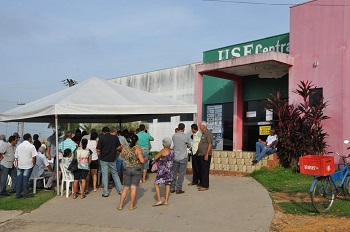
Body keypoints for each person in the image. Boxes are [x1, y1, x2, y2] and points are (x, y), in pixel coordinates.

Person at [118, 134, 147, 210]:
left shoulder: (125, 148)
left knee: (126, 188)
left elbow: (122, 156)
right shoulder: (138, 149)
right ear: (137, 141)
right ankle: (131, 206)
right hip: (136, 169)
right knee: (133, 188)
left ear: (130, 140)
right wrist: (146, 158)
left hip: (127, 168)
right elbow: (141, 160)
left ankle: (120, 205)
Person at [96, 126, 122, 197]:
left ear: (103, 132)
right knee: (115, 174)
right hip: (112, 159)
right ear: (109, 131)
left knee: (105, 175)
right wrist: (114, 150)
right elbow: (119, 147)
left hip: (103, 159)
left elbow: (98, 150)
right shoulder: (115, 137)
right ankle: (120, 190)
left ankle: (106, 192)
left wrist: (100, 156)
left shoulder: (101, 138)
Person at [152, 137, 174, 206]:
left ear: (164, 144)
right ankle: (166, 200)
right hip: (169, 170)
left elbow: (155, 157)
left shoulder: (163, 151)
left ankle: (159, 200)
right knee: (167, 184)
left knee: (156, 184)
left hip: (162, 170)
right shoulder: (172, 151)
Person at [14, 133, 37, 199]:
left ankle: (18, 194)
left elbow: (16, 156)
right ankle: (26, 194)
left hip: (20, 165)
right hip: (28, 165)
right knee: (25, 180)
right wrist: (34, 164)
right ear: (29, 138)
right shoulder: (31, 146)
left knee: (19, 179)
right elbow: (34, 157)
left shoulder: (19, 146)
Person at [170, 123, 191, 194]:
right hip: (183, 157)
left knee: (174, 173)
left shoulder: (174, 136)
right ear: (184, 128)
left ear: (178, 128)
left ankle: (172, 188)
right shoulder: (185, 136)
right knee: (181, 174)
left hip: (175, 157)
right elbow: (189, 146)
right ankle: (178, 188)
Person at [197, 121, 213, 191]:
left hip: (205, 155)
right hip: (201, 154)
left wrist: (206, 154)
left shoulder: (208, 133)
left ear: (204, 126)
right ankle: (203, 184)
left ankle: (205, 185)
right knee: (202, 170)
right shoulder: (202, 134)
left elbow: (210, 144)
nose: (199, 127)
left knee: (205, 170)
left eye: (200, 126)